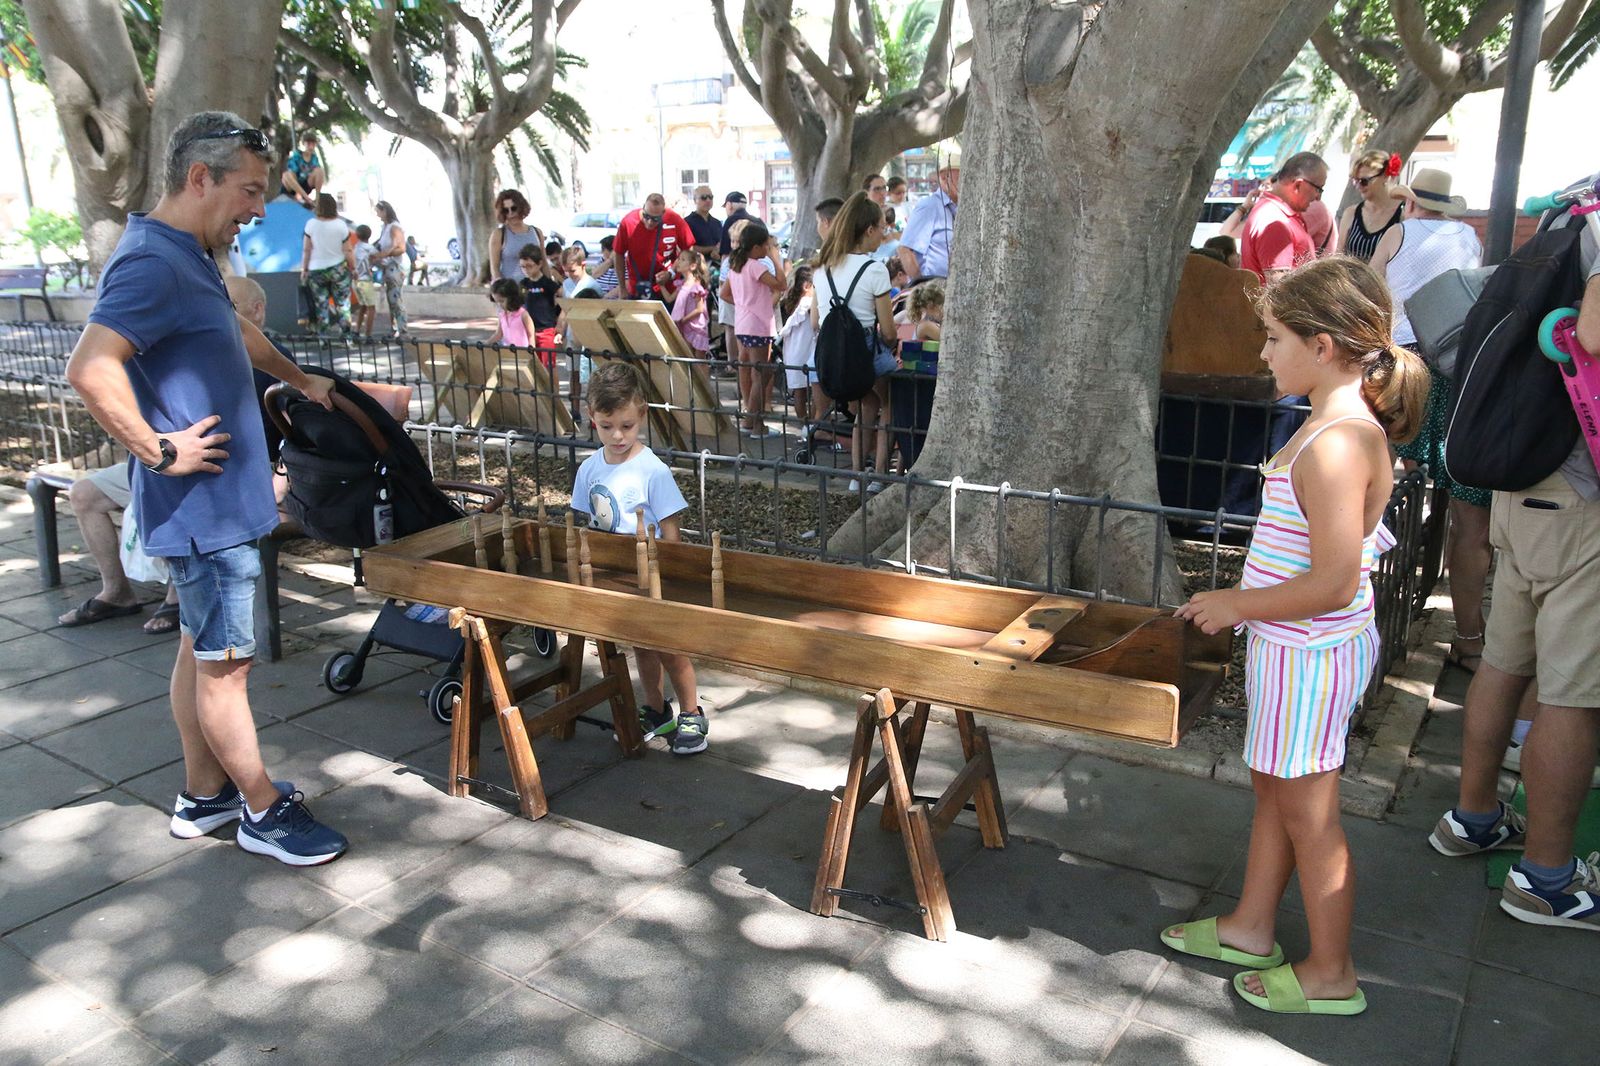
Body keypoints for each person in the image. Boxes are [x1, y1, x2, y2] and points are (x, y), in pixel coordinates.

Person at [64, 111, 347, 865]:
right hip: (204, 513)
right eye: (249, 190)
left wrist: (300, 378)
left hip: (217, 510)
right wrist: (158, 451)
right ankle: (262, 809)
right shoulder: (152, 263)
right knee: (227, 671)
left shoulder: (186, 252)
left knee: (201, 653)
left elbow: (232, 329)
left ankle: (204, 795)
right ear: (200, 178)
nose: (258, 207)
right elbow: (89, 368)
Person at [1165, 256, 1427, 1016]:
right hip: (1295, 649)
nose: (1263, 352)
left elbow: (1336, 582)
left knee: (1311, 815)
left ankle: (1332, 972)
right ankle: (1251, 927)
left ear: (1322, 345)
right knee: (1276, 791)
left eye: (1274, 337)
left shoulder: (1338, 443)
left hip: (1310, 652)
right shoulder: (1327, 426)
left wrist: (1237, 604)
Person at [1427, 166, 1600, 933]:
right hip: (1580, 492)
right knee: (1573, 695)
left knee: (1504, 659)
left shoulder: (1573, 208)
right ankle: (1546, 879)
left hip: (1525, 478)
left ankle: (1473, 818)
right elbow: (1593, 335)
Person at [1371, 168, 1488, 672]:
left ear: (1411, 201)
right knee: (1469, 517)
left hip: (1401, 364)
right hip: (1457, 367)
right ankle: (1469, 636)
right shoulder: (1467, 237)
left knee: (1379, 485)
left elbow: (1371, 291)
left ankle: (1367, 601)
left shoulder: (1397, 233)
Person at [570, 360, 706, 755]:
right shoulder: (589, 469)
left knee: (670, 648)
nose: (617, 435)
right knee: (642, 648)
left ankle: (692, 713)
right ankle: (656, 709)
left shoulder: (652, 471)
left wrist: (671, 577)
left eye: (627, 426)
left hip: (655, 578)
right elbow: (590, 524)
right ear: (591, 417)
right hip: (617, 578)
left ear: (642, 414)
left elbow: (671, 532)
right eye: (606, 426)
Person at [813, 192, 899, 481]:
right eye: (882, 228)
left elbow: (816, 320)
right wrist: (889, 345)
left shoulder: (823, 267)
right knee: (889, 403)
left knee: (867, 404)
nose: (883, 235)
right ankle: (880, 473)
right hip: (866, 346)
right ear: (869, 230)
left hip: (831, 351)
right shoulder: (874, 270)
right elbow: (889, 331)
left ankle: (856, 474)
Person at [722, 220, 787, 437]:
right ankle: (757, 425)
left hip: (743, 324)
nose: (768, 249)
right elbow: (781, 284)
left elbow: (724, 294)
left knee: (758, 371)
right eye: (766, 245)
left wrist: (743, 304)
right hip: (758, 325)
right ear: (756, 247)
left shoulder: (736, 266)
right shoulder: (756, 266)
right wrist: (776, 259)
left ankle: (750, 420)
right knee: (761, 374)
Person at [1240, 152, 1326, 284]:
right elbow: (1279, 287)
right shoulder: (1275, 221)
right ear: (1298, 185)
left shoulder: (1275, 213)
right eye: (1319, 189)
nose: (1318, 197)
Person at [608, 193, 693, 304]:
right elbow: (618, 254)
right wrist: (622, 288)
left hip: (666, 289)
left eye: (655, 219)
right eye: (646, 216)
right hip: (637, 288)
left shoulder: (674, 219)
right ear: (643, 207)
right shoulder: (628, 222)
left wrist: (671, 272)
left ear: (663, 213)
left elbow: (689, 251)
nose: (649, 222)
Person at [299, 193, 354, 335]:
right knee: (343, 304)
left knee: (321, 304)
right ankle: (347, 336)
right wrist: (353, 267)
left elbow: (306, 249)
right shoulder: (341, 225)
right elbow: (348, 250)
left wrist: (304, 269)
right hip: (338, 268)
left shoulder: (311, 224)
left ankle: (323, 338)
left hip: (316, 269)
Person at [1340, 150, 1405, 263]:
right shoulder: (1351, 213)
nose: (1359, 186)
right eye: (1355, 181)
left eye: (1364, 181)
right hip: (1350, 274)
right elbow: (1339, 255)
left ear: (1385, 176)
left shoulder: (1403, 214)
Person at [900, 163, 959, 281]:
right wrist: (921, 285)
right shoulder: (929, 205)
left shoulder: (958, 208)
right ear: (944, 177)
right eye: (961, 175)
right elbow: (905, 250)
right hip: (933, 287)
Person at [777, 265, 817, 427]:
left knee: (799, 393)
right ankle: (812, 425)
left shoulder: (793, 304)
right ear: (807, 286)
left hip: (794, 353)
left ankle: (804, 424)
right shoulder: (808, 303)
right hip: (807, 353)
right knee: (816, 392)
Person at [489, 189, 544, 283]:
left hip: (536, 288)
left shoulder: (537, 232)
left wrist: (550, 287)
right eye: (506, 210)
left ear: (521, 207)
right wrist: (500, 287)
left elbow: (544, 263)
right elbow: (494, 268)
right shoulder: (498, 235)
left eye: (514, 208)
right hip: (511, 288)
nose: (510, 213)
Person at [517, 245, 562, 358]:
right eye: (523, 267)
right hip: (528, 330)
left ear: (539, 264)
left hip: (546, 330)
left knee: (548, 365)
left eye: (529, 266)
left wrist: (559, 319)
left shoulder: (547, 283)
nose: (526, 270)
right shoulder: (523, 284)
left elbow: (564, 298)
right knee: (532, 363)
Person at [371, 200, 408, 335]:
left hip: (394, 267)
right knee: (391, 299)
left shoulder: (394, 227)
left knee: (396, 299)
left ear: (385, 211)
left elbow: (401, 248)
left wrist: (385, 254)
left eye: (378, 212)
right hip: (387, 266)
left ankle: (402, 328)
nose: (377, 215)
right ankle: (395, 328)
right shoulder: (385, 228)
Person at [670, 248, 711, 359]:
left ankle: (702, 372)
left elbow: (699, 309)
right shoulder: (681, 284)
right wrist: (661, 285)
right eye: (679, 259)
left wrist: (683, 320)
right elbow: (669, 299)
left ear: (692, 266)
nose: (678, 262)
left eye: (682, 260)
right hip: (686, 325)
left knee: (699, 359)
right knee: (687, 356)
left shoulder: (696, 286)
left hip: (695, 326)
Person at [488, 277, 536, 351]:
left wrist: (531, 351)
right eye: (497, 302)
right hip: (507, 352)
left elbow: (531, 335)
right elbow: (498, 334)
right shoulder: (502, 315)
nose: (499, 305)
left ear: (511, 298)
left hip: (522, 352)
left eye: (502, 301)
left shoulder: (523, 315)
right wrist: (486, 343)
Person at [280, 131, 324, 208]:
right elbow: (292, 173)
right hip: (292, 187)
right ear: (304, 143)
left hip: (305, 186)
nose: (311, 147)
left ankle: (318, 200)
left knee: (319, 171)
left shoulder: (314, 158)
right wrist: (301, 194)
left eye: (313, 144)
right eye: (309, 144)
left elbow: (317, 175)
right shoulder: (296, 156)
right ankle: (306, 198)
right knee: (286, 174)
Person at [351, 224, 378, 337]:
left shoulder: (355, 248)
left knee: (362, 306)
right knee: (371, 308)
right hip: (366, 281)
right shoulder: (370, 248)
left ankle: (357, 330)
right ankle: (368, 334)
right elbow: (378, 259)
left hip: (356, 281)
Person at [684, 184, 722, 259]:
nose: (708, 200)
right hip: (696, 263)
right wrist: (712, 248)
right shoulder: (687, 222)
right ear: (695, 200)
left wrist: (717, 250)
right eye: (703, 197)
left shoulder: (717, 223)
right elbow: (688, 248)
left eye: (710, 197)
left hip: (717, 263)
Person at [718, 190, 758, 258]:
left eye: (725, 206)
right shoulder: (757, 221)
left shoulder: (730, 221)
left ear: (729, 205)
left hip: (737, 262)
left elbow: (725, 253)